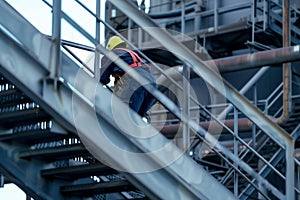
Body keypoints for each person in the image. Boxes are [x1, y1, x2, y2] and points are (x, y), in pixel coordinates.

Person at [100, 35, 156, 120]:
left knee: (129, 118)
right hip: (151, 83)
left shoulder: (112, 54)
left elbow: (103, 77)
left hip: (136, 81)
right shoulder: (131, 54)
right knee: (138, 119)